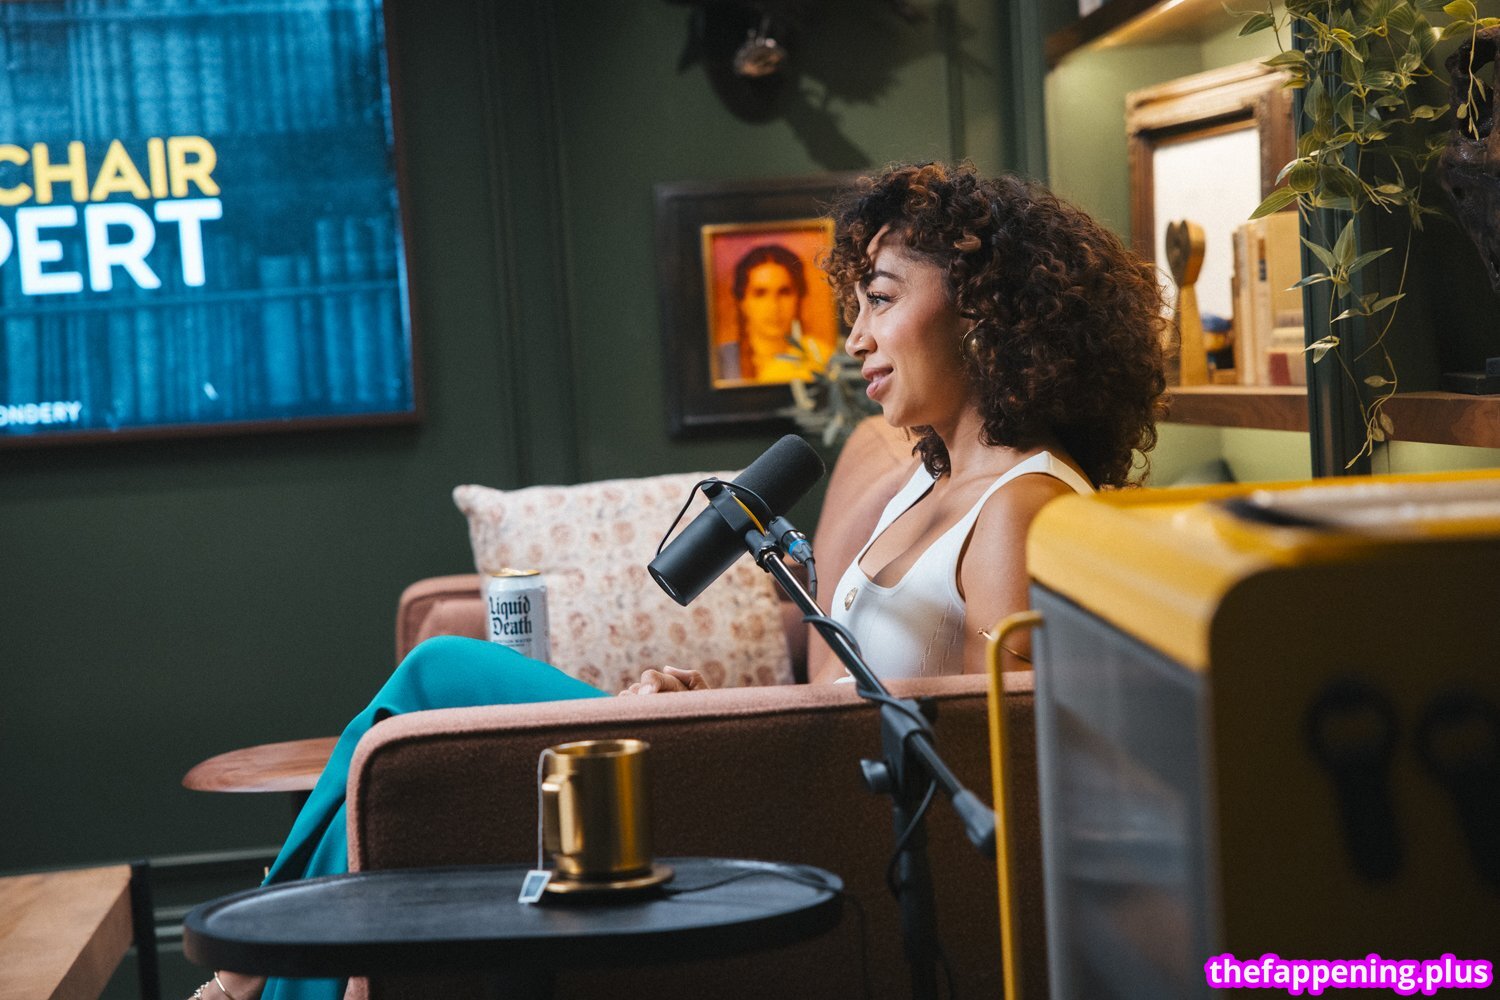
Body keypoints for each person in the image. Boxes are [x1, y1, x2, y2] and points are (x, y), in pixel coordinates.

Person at [195, 162, 1166, 1000]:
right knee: (410, 742)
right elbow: (854, 688)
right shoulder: (931, 475)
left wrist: (728, 729)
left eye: (880, 298)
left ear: (981, 303)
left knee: (439, 674)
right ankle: (252, 980)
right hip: (780, 772)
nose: (855, 338)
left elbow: (1017, 758)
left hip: (822, 828)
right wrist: (706, 704)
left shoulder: (1022, 507)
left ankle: (241, 978)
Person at [722, 243, 821, 383]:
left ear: (799, 298)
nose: (774, 306)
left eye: (784, 292)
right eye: (760, 293)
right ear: (742, 301)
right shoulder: (720, 361)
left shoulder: (819, 357)